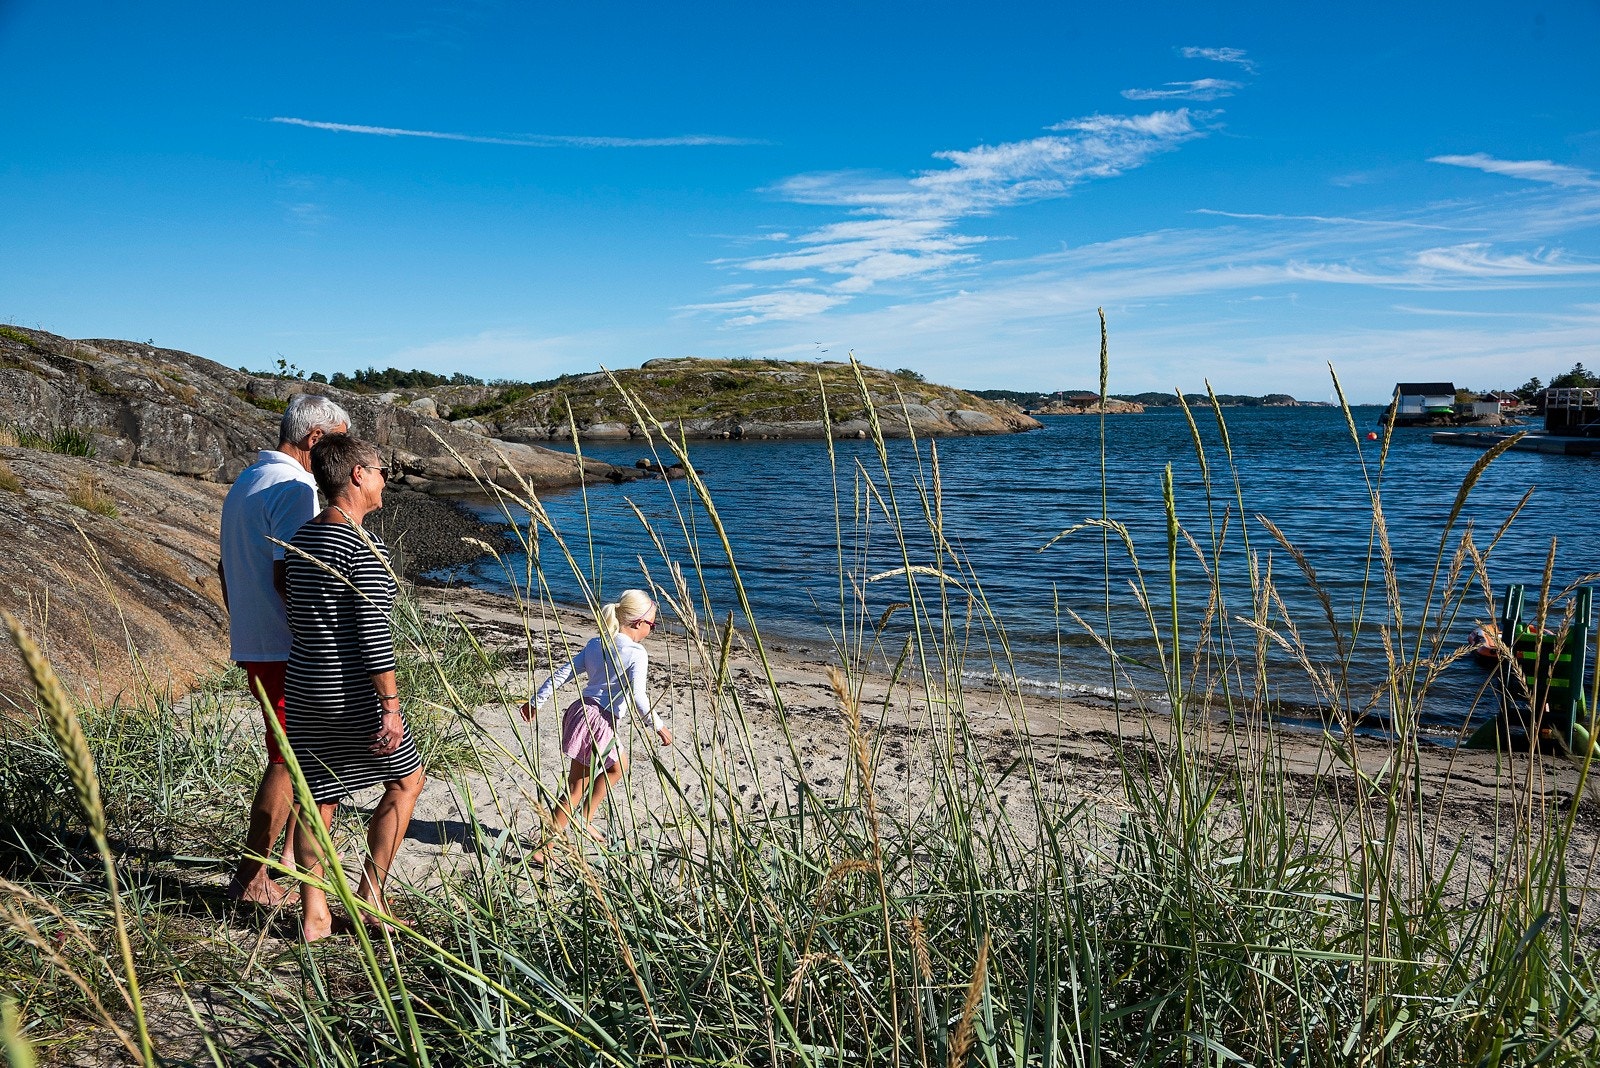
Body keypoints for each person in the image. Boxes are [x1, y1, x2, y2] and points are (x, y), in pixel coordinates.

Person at [284, 434, 425, 941]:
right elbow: (373, 628)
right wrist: (390, 703)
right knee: (408, 781)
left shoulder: (301, 538)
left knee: (315, 798)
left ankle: (314, 913)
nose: (385, 479)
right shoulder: (363, 545)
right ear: (357, 475)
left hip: (304, 686)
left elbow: (289, 598)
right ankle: (370, 897)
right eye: (380, 469)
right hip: (351, 694)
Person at [218, 392, 349, 907]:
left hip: (255, 640)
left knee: (300, 756)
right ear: (315, 440)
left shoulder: (247, 481)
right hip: (287, 648)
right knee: (289, 759)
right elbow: (293, 573)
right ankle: (251, 876)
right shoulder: (296, 486)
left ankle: (286, 863)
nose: (347, 455)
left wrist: (247, 625)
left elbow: (226, 569)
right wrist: (323, 642)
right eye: (339, 442)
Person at [521, 590, 672, 858]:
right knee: (590, 781)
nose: (652, 630)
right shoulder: (636, 653)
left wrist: (536, 701)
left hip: (580, 712)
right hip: (599, 720)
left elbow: (564, 673)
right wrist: (658, 726)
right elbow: (638, 697)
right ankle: (556, 839)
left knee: (602, 773)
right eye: (653, 624)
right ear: (638, 623)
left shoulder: (596, 644)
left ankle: (572, 828)